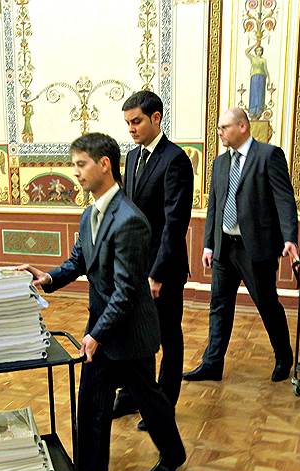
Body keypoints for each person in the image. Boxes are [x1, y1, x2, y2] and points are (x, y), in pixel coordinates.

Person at [19, 133, 187, 471]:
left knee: (149, 400)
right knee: (93, 405)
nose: (75, 172)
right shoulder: (90, 214)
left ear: (104, 164)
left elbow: (126, 292)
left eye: (81, 164)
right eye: (74, 165)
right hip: (104, 329)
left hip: (129, 332)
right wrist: (49, 277)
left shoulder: (130, 220)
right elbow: (78, 261)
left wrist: (96, 334)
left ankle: (172, 453)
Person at [183, 107, 299, 383]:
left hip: (255, 249)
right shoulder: (220, 163)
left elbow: (284, 199)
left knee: (267, 304)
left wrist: (290, 237)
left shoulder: (269, 156)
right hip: (225, 247)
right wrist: (208, 244)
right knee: (219, 306)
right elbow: (215, 206)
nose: (219, 133)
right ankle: (212, 364)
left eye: (224, 127)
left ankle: (284, 357)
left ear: (243, 126)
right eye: (219, 128)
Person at [113, 91, 193, 431]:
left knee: (169, 338)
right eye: (128, 123)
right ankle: (133, 395)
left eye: (137, 121)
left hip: (165, 269)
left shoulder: (175, 160)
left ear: (156, 118)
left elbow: (175, 223)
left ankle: (163, 406)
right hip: (135, 267)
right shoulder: (132, 157)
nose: (131, 128)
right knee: (135, 337)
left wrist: (158, 273)